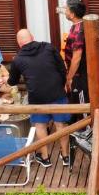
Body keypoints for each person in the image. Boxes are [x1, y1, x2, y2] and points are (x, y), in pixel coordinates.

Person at [8, 28, 71, 168]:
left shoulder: (18, 59)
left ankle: (45, 158)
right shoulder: (48, 47)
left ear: (19, 43)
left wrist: (7, 79)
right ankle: (66, 157)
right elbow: (62, 68)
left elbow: (12, 81)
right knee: (61, 125)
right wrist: (61, 85)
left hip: (37, 96)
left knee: (40, 126)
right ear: (32, 37)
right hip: (56, 92)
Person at [63, 0, 88, 107]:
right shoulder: (77, 26)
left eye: (66, 9)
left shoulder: (79, 31)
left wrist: (69, 77)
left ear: (72, 14)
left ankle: (86, 123)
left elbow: (76, 58)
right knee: (75, 100)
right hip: (77, 74)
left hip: (79, 75)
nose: (64, 11)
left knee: (82, 104)